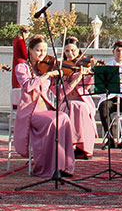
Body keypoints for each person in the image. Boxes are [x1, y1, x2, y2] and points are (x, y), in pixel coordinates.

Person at [13, 35, 76, 178]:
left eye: (44, 50)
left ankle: (63, 165)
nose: (42, 54)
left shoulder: (48, 66)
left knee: (64, 117)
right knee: (54, 121)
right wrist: (46, 76)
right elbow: (27, 86)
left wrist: (74, 79)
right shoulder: (22, 67)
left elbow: (59, 94)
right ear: (30, 50)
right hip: (30, 111)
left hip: (45, 109)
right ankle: (49, 167)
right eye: (38, 50)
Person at [60, 36, 97, 160]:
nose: (70, 54)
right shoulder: (61, 67)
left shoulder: (82, 65)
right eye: (67, 51)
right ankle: (71, 145)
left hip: (83, 101)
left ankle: (83, 147)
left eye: (73, 51)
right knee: (72, 106)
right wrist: (74, 80)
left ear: (79, 51)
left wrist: (92, 70)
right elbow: (61, 92)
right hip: (65, 101)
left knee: (80, 107)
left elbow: (87, 86)